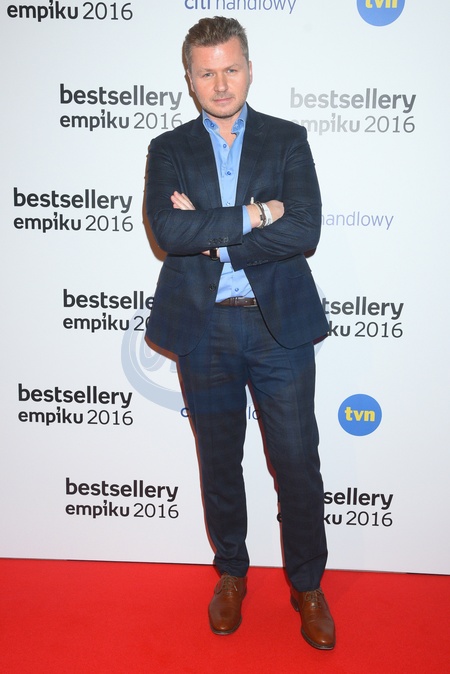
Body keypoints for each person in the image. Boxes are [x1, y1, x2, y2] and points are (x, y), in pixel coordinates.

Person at [144, 16, 335, 650]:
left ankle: (307, 585)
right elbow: (169, 233)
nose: (221, 84)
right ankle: (231, 574)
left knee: (297, 462)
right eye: (207, 73)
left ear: (249, 70)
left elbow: (304, 229)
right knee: (219, 461)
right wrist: (256, 214)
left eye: (231, 69)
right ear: (190, 79)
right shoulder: (168, 149)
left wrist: (214, 235)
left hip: (279, 327)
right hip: (204, 330)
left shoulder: (287, 139)